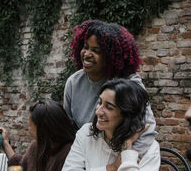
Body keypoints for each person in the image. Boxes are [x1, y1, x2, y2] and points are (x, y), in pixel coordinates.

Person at [58, 79, 173, 171]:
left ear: (126, 114)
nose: (98, 112)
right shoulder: (86, 134)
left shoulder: (148, 147)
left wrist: (127, 147)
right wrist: (110, 169)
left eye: (109, 107)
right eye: (99, 103)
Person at [63, 19, 157, 153]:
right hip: (88, 158)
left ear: (111, 56)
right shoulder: (73, 82)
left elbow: (147, 129)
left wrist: (128, 161)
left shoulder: (128, 82)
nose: (87, 54)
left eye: (96, 51)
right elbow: (68, 130)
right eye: (85, 47)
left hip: (121, 155)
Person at [0, 100, 75, 171]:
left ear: (43, 128)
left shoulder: (71, 153)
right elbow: (21, 169)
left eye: (30, 125)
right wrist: (5, 143)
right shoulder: (36, 146)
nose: (28, 129)